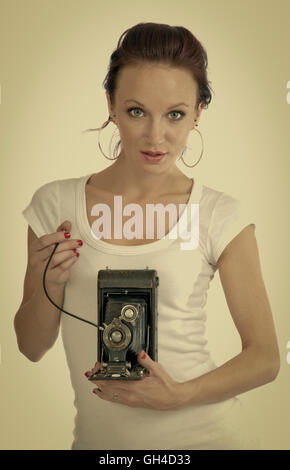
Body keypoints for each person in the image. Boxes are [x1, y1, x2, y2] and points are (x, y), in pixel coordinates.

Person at [14, 22, 280, 450]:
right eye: (137, 111)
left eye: (175, 114)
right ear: (111, 105)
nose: (156, 137)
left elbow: (266, 359)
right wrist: (50, 283)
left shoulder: (218, 214)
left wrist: (179, 396)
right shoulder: (56, 205)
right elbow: (30, 346)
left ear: (197, 113)